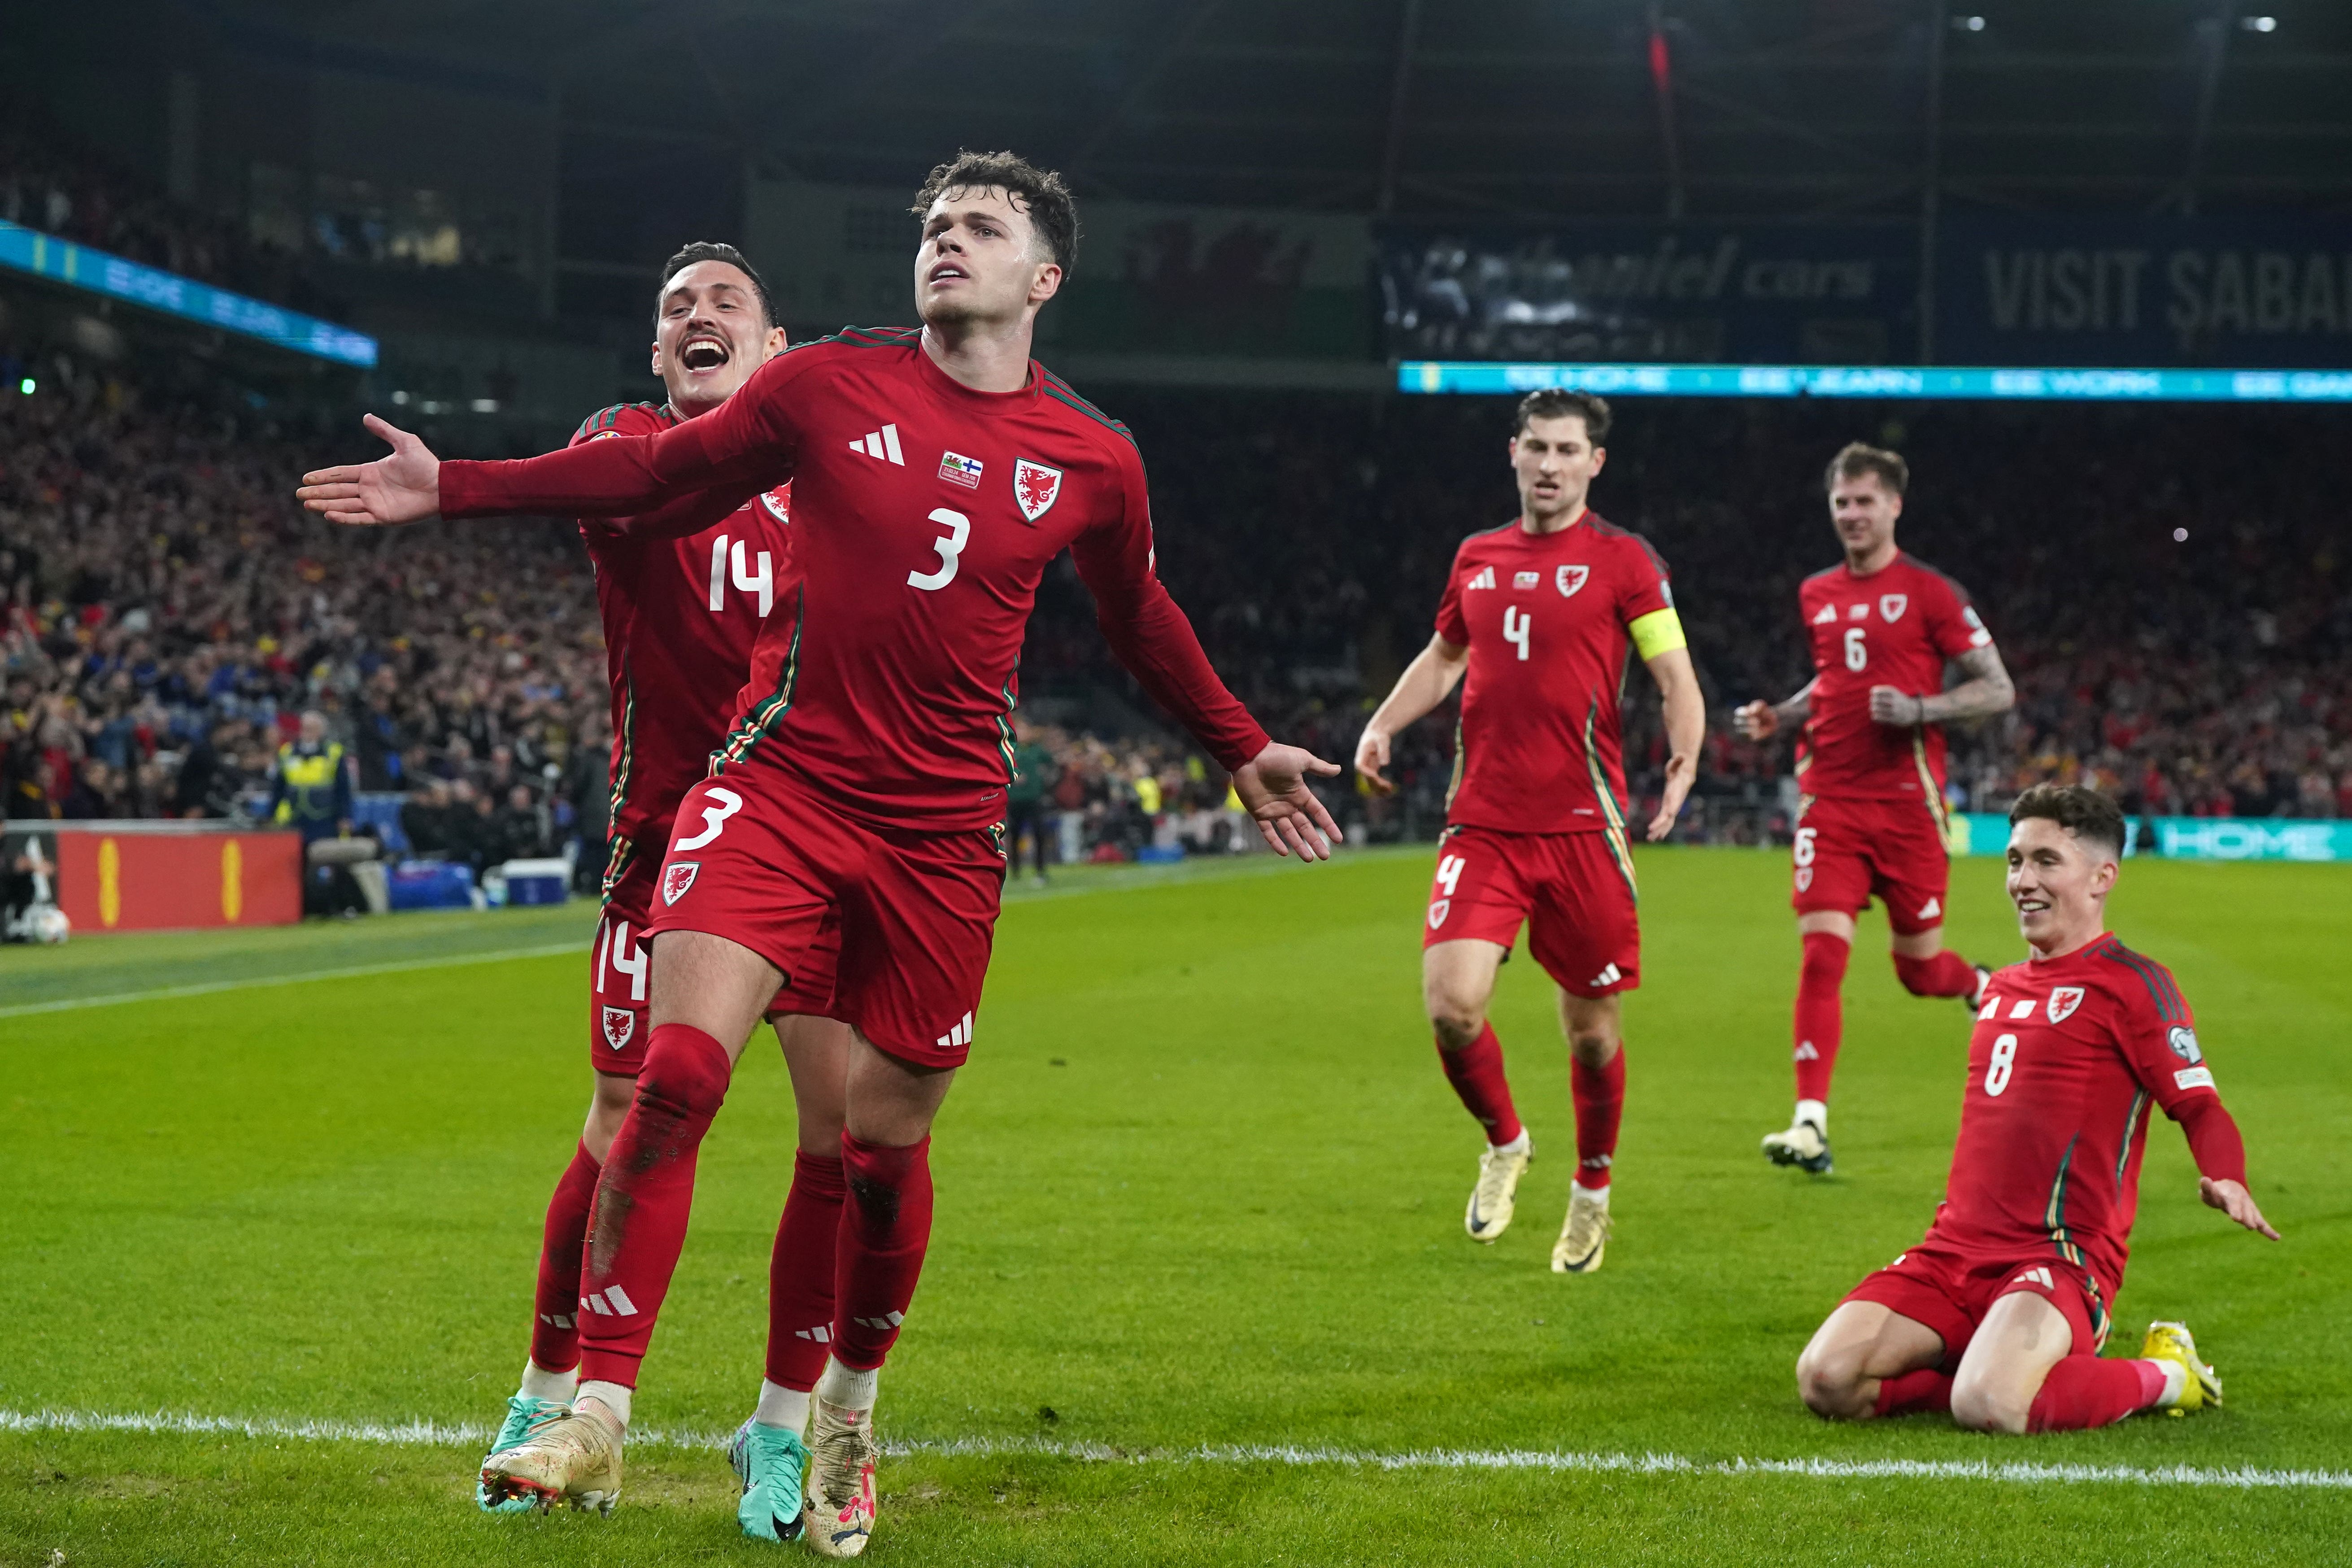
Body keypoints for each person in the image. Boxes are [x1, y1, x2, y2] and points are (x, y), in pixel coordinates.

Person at [299, 150, 1342, 1556]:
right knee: (668, 1081)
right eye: (931, 225)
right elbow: (663, 471)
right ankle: (592, 1409)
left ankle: (839, 1411)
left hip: (944, 837)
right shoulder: (824, 384)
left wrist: (1235, 741)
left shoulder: (1093, 457)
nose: (944, 242)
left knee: (878, 1149)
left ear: (1044, 279)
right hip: (775, 788)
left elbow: (1138, 613)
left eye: (979, 226)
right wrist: (462, 486)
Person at [1794, 784, 2277, 1433]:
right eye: (2016, 860)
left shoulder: (2135, 985)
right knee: (1827, 1379)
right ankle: (1985, 1361)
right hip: (1953, 1252)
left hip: (2059, 1257)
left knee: (1990, 1406)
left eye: (2047, 861)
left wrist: (2228, 1174)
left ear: (2103, 877)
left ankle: (2170, 1376)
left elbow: (2199, 1106)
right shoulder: (2001, 989)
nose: (2023, 879)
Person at [1352, 389, 1703, 1275]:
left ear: (1596, 462)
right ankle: (1506, 1140)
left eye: (1567, 450)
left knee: (1591, 1032)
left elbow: (1674, 674)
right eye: (1537, 447)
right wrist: (1382, 724)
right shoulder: (1476, 555)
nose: (1550, 464)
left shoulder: (1625, 562)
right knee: (1452, 1004)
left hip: (1585, 829)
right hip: (1484, 822)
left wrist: (1686, 762)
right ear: (1513, 453)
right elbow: (1445, 656)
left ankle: (1591, 1190)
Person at [1734, 443, 2016, 1175]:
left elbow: (1996, 687)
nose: (1851, 515)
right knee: (1821, 955)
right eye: (1840, 502)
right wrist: (1783, 716)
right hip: (1829, 801)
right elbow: (1833, 680)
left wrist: (1922, 706)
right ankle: (1808, 1123)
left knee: (1918, 972)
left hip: (1908, 811)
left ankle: (1981, 985)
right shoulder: (1815, 592)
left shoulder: (1930, 592)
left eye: (1864, 501)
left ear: (1894, 505)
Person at [267, 709, 353, 842]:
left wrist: (345, 817)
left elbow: (343, 789)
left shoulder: (333, 753)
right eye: (304, 729)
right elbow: (278, 788)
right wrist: (271, 815)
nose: (306, 734)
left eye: (311, 730)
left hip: (324, 818)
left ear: (321, 732)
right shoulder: (287, 753)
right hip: (295, 817)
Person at [1004, 719, 1057, 885]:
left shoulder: (1037, 750)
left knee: (1039, 834)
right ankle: (1015, 871)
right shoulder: (1011, 749)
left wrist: (1046, 779)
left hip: (1034, 799)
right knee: (1014, 836)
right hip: (1015, 800)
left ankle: (1041, 870)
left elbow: (1054, 766)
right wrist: (1012, 778)